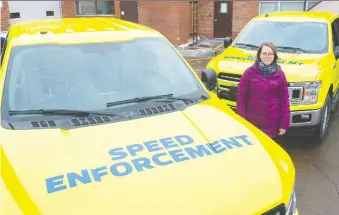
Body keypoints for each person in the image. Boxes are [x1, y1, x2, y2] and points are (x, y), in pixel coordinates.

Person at [236, 42, 290, 140]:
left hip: (272, 124)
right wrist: (242, 121)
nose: (267, 56)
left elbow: (285, 101)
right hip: (252, 123)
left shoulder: (280, 75)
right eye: (264, 53)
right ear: (259, 55)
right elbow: (241, 97)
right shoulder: (249, 72)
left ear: (274, 56)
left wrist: (284, 124)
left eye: (270, 54)